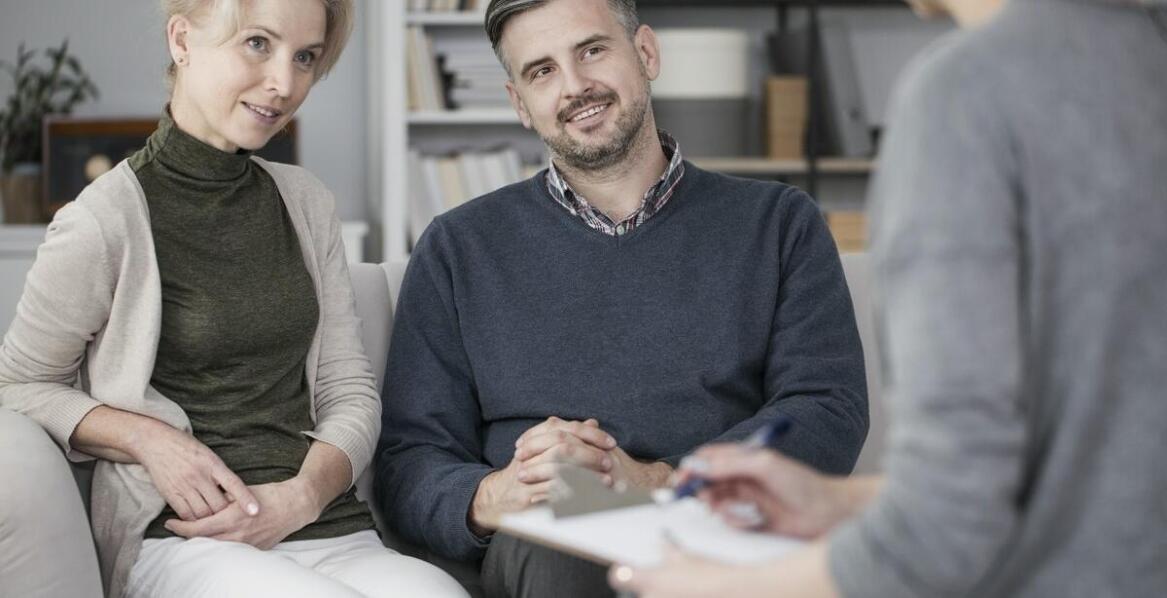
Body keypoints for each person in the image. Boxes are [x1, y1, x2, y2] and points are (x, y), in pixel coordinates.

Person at [608, 0, 1167, 596]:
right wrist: (837, 500)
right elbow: (1091, 460)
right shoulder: (1142, 54)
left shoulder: (965, 98)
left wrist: (707, 587)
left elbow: (945, 526)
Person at [373, 0, 869, 596]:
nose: (576, 86)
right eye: (542, 71)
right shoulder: (457, 248)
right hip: (549, 545)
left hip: (719, 525)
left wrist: (661, 480)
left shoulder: (780, 223)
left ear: (647, 54)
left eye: (592, 50)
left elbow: (826, 409)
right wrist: (496, 494)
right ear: (519, 104)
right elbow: (410, 461)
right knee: (561, 549)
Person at [0, 1, 468, 597]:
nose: (284, 82)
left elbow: (348, 389)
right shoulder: (103, 220)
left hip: (327, 528)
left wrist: (300, 498)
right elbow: (17, 383)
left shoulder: (306, 203)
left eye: (304, 57)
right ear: (182, 40)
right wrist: (150, 439)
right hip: (187, 542)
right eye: (257, 44)